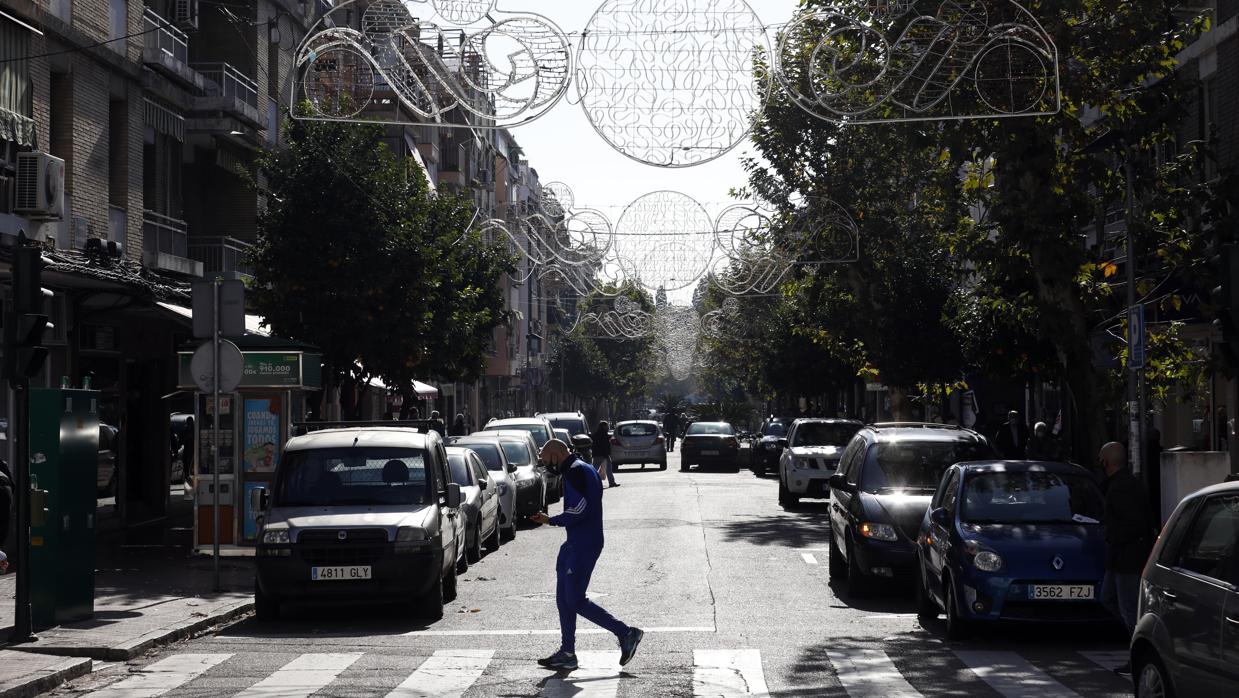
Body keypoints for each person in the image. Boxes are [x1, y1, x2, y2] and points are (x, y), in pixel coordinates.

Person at [530, 439, 643, 671]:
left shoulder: (576, 471)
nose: (546, 464)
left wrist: (551, 520)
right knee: (563, 600)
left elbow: (580, 510)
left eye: (545, 459)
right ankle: (567, 652)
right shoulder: (580, 468)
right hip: (574, 543)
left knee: (575, 600)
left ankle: (626, 632)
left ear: (556, 454)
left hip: (584, 543)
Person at [1098, 441, 1155, 677]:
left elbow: (1131, 524)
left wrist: (1112, 536)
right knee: (1108, 598)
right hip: (1121, 557)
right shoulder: (1124, 484)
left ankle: (1139, 656)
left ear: (1106, 462)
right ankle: (1136, 649)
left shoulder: (1122, 487)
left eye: (1101, 459)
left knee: (1129, 609)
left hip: (1127, 558)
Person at [591, 421, 617, 488]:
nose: (608, 427)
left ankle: (590, 483)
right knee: (609, 469)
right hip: (603, 454)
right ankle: (611, 482)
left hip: (596, 455)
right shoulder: (604, 435)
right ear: (603, 426)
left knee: (594, 470)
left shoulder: (596, 434)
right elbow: (605, 445)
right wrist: (607, 454)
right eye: (607, 426)